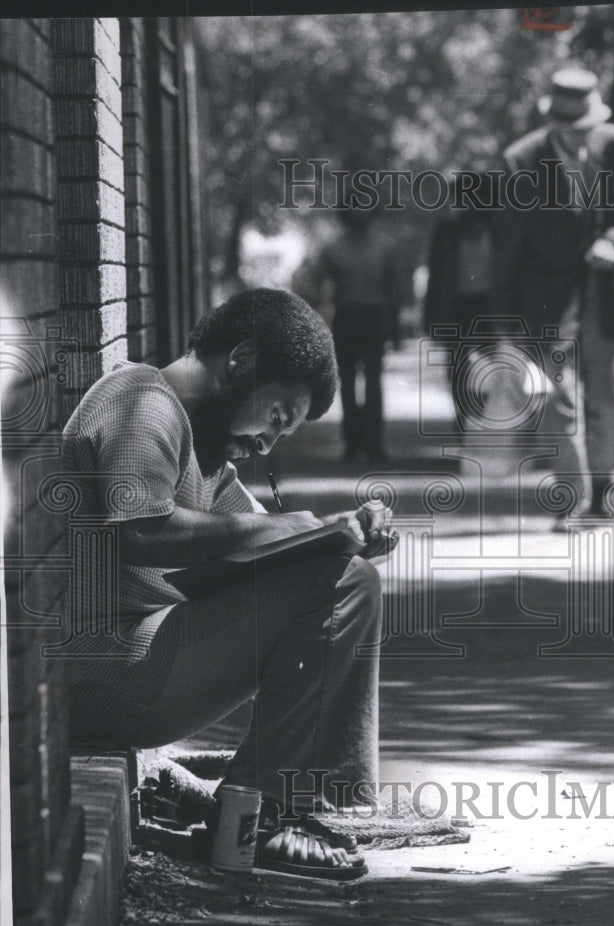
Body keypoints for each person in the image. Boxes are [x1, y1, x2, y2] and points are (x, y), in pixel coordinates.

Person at [61, 288, 390, 880]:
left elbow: (274, 549)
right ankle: (260, 818)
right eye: (277, 417)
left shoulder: (203, 449)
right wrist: (302, 529)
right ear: (240, 361)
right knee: (344, 586)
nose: (269, 441)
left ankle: (268, 807)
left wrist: (344, 535)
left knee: (346, 576)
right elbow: (143, 531)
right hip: (98, 669)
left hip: (132, 663)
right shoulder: (140, 402)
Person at [492, 67, 614, 516]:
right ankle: (575, 499)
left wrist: (613, 243)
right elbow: (506, 250)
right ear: (552, 122)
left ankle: (601, 487)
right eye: (569, 129)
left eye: (585, 128)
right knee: (561, 405)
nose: (578, 137)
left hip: (609, 297)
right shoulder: (520, 160)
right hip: (547, 304)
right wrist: (505, 324)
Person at [317, 209, 401, 462]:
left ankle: (373, 442)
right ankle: (353, 442)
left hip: (372, 315)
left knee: (373, 381)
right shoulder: (334, 249)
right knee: (349, 381)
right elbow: (316, 279)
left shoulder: (382, 248)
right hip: (347, 315)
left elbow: (393, 289)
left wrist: (393, 325)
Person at [424, 174, 496, 430]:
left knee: (499, 364)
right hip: (457, 307)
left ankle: (494, 417)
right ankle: (464, 418)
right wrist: (431, 317)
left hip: (492, 307)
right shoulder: (446, 232)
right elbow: (436, 276)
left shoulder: (498, 230)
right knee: (458, 367)